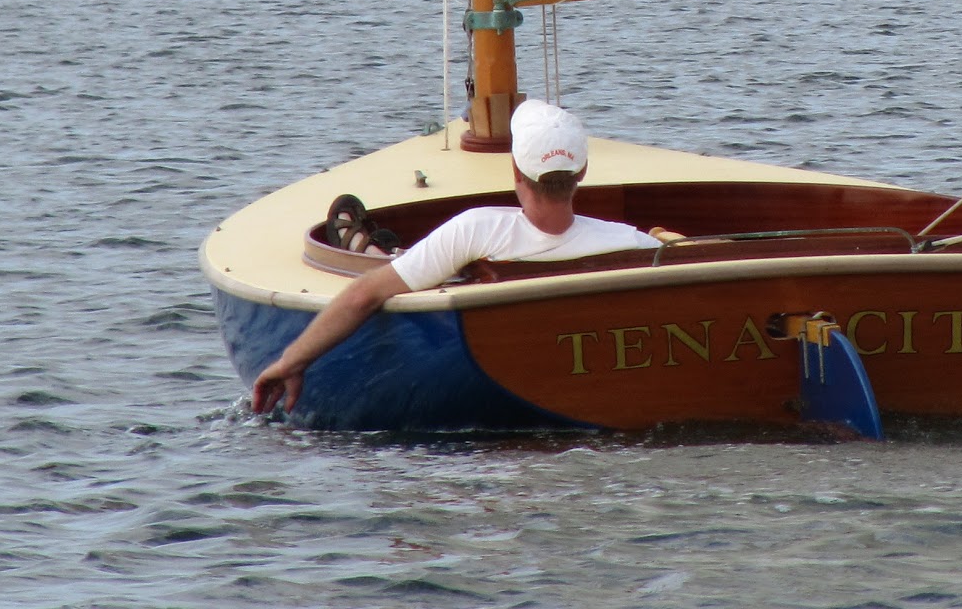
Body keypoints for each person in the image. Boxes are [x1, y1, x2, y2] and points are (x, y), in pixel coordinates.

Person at [251, 99, 681, 415]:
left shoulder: (477, 229)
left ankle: (373, 247)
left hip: (486, 395)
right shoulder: (628, 241)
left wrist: (291, 361)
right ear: (582, 173)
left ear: (516, 171)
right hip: (595, 392)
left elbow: (365, 294)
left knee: (393, 262)